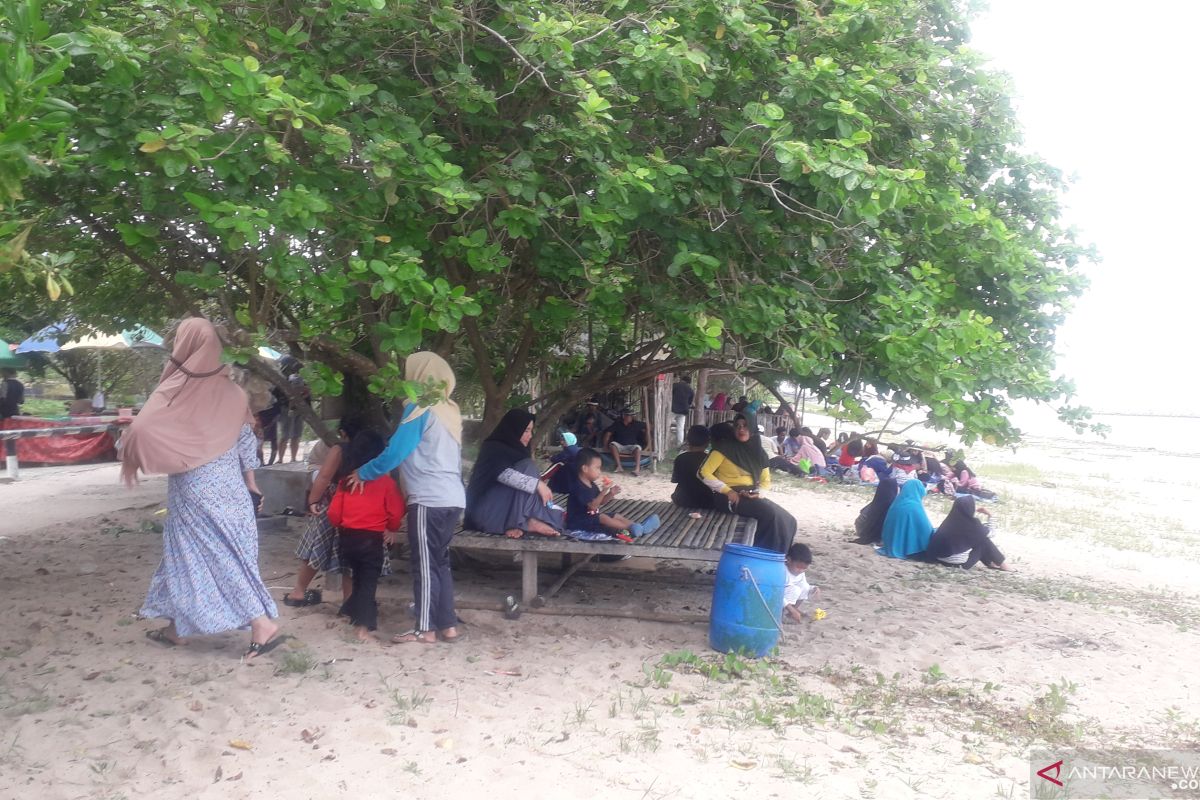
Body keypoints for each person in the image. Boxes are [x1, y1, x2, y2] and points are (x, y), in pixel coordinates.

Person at [122, 318, 282, 659]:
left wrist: (137, 455)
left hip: (195, 488)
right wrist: (252, 484)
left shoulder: (176, 390)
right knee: (190, 554)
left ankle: (260, 623)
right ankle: (176, 629)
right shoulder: (233, 392)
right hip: (230, 488)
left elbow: (139, 429)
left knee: (210, 555)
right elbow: (245, 442)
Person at [348, 352, 464, 645]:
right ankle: (448, 626)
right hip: (452, 497)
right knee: (440, 563)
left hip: (429, 497)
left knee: (424, 565)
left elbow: (396, 453)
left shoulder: (419, 407)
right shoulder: (449, 410)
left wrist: (364, 472)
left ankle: (424, 629)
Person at [326, 430, 406, 641]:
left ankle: (350, 610)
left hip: (347, 538)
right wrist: (392, 528)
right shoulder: (386, 483)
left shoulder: (345, 481)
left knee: (358, 577)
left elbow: (333, 513)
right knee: (368, 580)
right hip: (371, 539)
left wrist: (341, 525)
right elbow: (396, 511)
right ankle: (363, 626)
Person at [283, 415, 368, 608]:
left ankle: (298, 592)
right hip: (360, 504)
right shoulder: (373, 450)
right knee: (351, 557)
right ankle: (349, 601)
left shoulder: (340, 450)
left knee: (316, 547)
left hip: (333, 502)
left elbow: (323, 477)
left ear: (343, 433)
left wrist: (313, 501)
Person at [700, 417, 797, 553]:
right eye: (738, 426)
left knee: (790, 520)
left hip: (750, 494)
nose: (741, 429)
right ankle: (763, 556)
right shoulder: (723, 449)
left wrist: (759, 493)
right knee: (770, 515)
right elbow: (703, 472)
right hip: (727, 497)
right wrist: (728, 491)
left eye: (745, 426)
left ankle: (780, 558)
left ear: (752, 429)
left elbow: (765, 480)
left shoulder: (758, 453)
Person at [465, 409, 564, 540]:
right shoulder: (493, 448)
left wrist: (537, 485)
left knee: (528, 467)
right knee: (527, 466)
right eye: (526, 430)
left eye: (531, 431)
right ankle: (524, 522)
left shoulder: (519, 450)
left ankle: (525, 521)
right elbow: (504, 475)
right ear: (514, 429)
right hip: (486, 513)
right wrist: (538, 484)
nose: (530, 435)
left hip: (504, 514)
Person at [566, 448, 661, 540]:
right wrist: (603, 491)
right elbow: (592, 507)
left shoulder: (592, 485)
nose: (600, 472)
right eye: (597, 468)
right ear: (585, 468)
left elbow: (601, 501)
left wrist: (610, 493)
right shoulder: (578, 487)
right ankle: (631, 528)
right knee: (602, 517)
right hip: (577, 523)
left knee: (615, 515)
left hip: (590, 519)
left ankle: (637, 526)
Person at [927, 495, 1011, 571]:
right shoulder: (973, 524)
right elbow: (992, 533)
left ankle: (991, 563)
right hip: (958, 565)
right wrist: (990, 516)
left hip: (940, 559)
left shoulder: (949, 521)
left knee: (980, 538)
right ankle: (1002, 564)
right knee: (984, 541)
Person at [878, 479, 934, 559]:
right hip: (906, 548)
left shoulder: (897, 503)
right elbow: (925, 529)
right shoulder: (914, 506)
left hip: (890, 543)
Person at [276, 356, 311, 463]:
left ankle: (293, 459)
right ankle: (281, 459)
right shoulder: (281, 379)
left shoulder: (302, 379)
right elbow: (277, 394)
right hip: (287, 409)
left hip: (298, 409)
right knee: (285, 436)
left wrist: (305, 395)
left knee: (295, 435)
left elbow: (308, 394)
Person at [671, 425, 715, 509]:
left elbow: (675, 480)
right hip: (706, 501)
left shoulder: (680, 458)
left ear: (688, 441)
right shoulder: (711, 459)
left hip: (682, 500)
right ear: (707, 443)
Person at [852, 476, 899, 545]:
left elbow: (860, 518)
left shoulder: (876, 501)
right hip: (879, 536)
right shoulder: (893, 505)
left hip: (862, 531)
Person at [604, 407, 649, 477]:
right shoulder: (617, 424)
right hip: (619, 445)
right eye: (629, 415)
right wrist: (605, 446)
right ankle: (619, 467)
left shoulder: (636, 424)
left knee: (637, 448)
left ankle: (637, 469)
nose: (631, 417)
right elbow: (608, 433)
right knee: (612, 445)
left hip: (632, 446)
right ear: (624, 416)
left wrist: (647, 434)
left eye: (631, 415)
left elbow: (649, 426)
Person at [783, 543, 820, 623]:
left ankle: (792, 611)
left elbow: (804, 585)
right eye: (798, 567)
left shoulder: (800, 573)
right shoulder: (783, 571)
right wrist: (791, 609)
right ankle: (782, 614)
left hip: (789, 598)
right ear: (789, 560)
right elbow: (778, 595)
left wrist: (814, 588)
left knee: (804, 587)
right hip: (780, 600)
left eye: (804, 568)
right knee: (795, 590)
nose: (801, 571)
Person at [671, 375, 694, 447]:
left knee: (667, 425)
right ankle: (679, 445)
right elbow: (690, 402)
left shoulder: (675, 385)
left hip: (673, 409)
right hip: (684, 410)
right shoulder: (690, 390)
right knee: (680, 428)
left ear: (682, 379)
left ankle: (664, 443)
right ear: (689, 383)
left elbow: (669, 396)